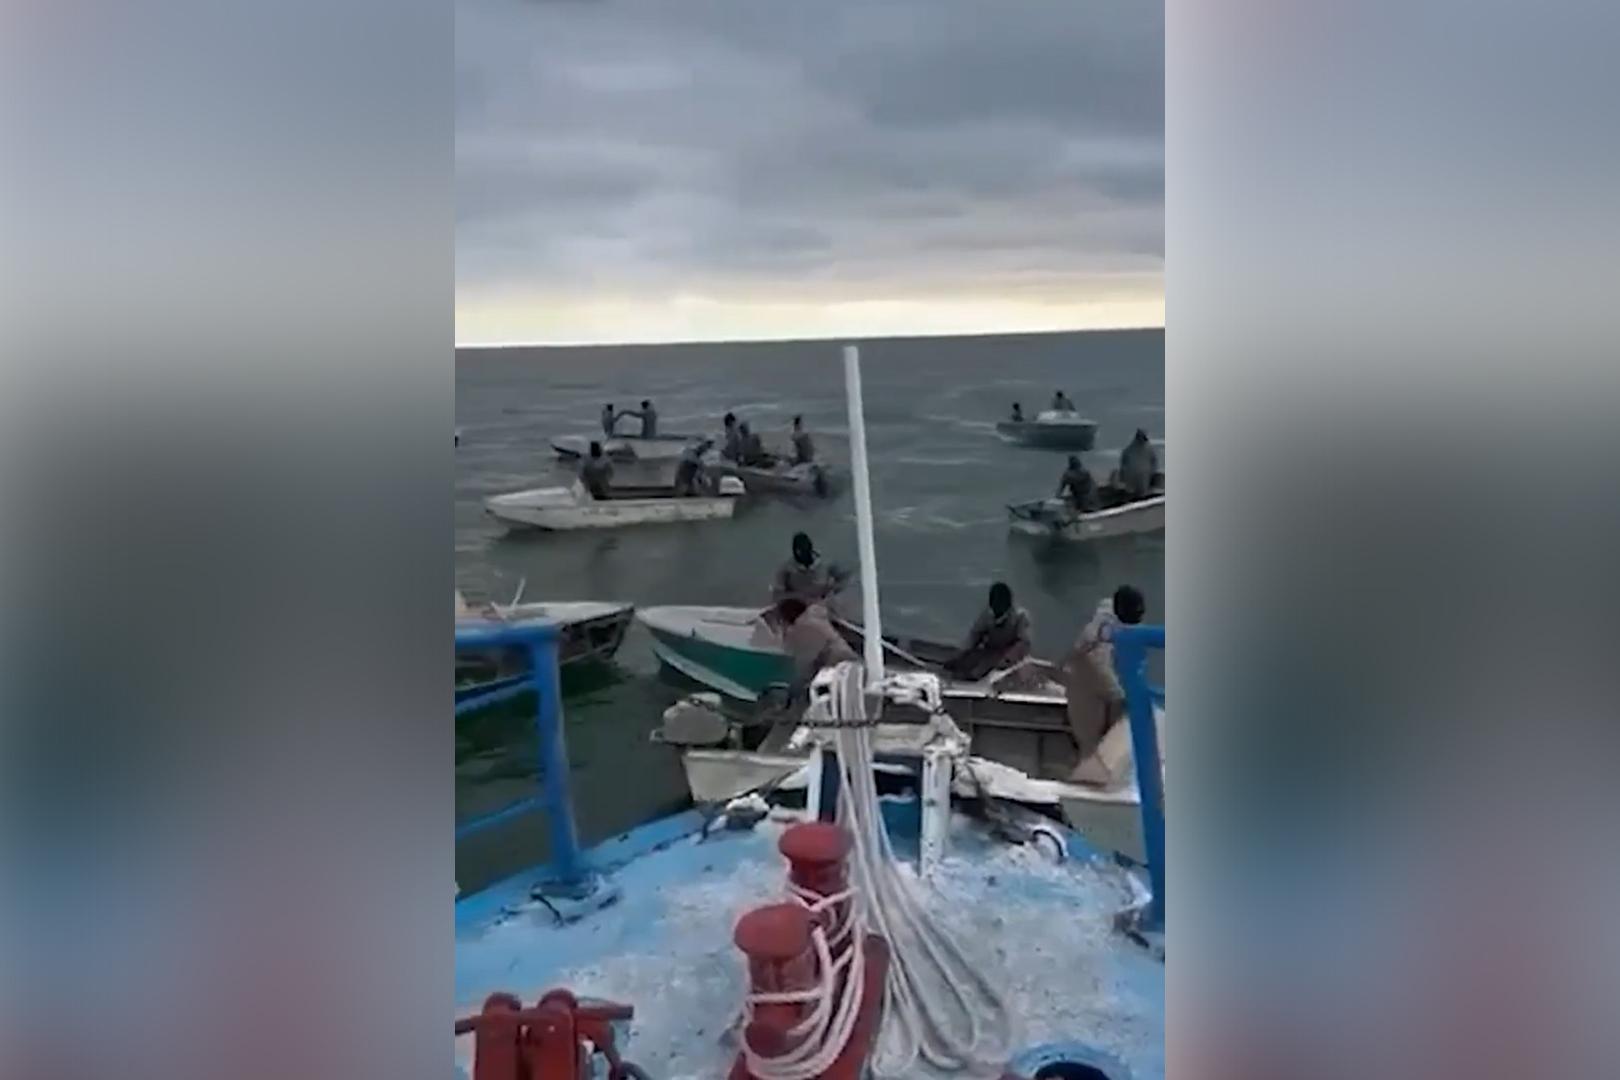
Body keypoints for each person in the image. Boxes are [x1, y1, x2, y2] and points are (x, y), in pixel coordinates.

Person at [1061, 584, 1147, 782]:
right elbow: (1099, 666)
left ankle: (1107, 772)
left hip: (1099, 679)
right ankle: (1084, 786)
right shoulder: (1100, 634)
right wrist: (1121, 694)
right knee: (1090, 745)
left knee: (1109, 729)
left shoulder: (1120, 618)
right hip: (1083, 681)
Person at [776, 596, 858, 704]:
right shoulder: (815, 618)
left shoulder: (804, 629)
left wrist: (793, 693)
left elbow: (805, 665)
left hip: (838, 670)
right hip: (848, 662)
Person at [946, 582, 1033, 681]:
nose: (996, 607)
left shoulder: (1021, 616)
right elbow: (974, 635)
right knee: (961, 665)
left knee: (978, 672)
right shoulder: (987, 614)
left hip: (1013, 657)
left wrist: (1007, 659)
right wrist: (960, 654)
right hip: (991, 651)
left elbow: (1024, 643)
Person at [771, 532, 848, 606]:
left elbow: (844, 578)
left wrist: (833, 591)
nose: (802, 558)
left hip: (822, 602)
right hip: (797, 605)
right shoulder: (786, 568)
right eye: (799, 554)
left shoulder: (827, 563)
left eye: (805, 553)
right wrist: (798, 596)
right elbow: (777, 595)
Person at [1117, 428, 1159, 499]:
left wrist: (1152, 473)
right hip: (1131, 478)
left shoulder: (1149, 449)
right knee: (1131, 495)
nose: (1142, 440)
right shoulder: (1129, 450)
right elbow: (1123, 464)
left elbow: (1154, 462)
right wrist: (1123, 476)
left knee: (1142, 495)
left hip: (1144, 477)